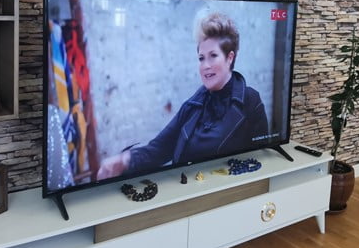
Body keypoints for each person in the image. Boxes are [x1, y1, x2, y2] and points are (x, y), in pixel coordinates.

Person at [97, 12, 269, 179]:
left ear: (229, 58)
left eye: (213, 56)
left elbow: (260, 160)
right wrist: (123, 161)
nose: (205, 65)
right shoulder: (193, 105)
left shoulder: (250, 101)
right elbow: (159, 149)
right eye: (201, 58)